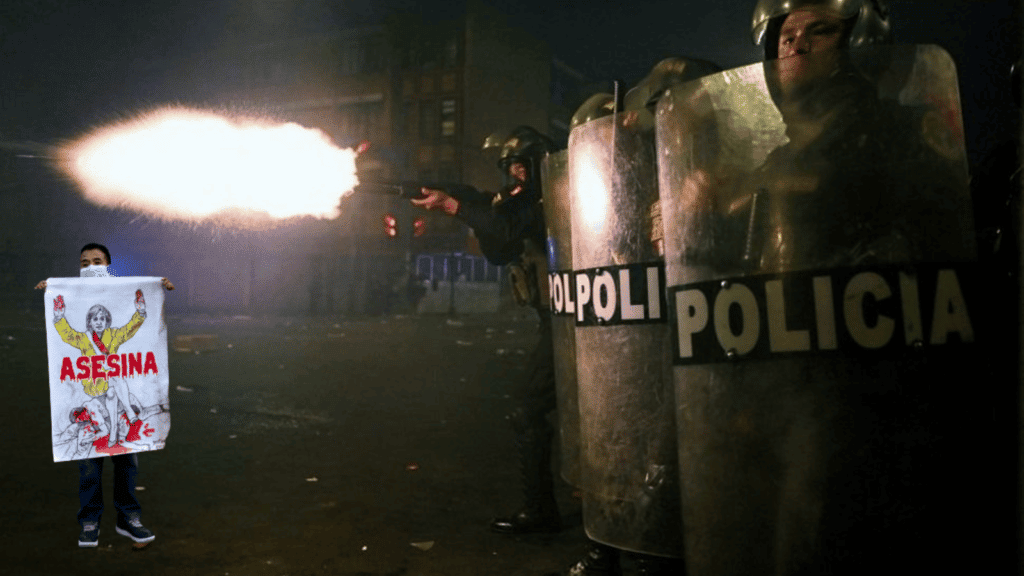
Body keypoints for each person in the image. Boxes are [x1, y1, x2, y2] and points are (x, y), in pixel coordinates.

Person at [411, 126, 563, 535]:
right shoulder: (522, 202)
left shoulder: (556, 196)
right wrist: (462, 201)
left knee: (530, 408)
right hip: (560, 321)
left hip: (573, 323)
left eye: (520, 166)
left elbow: (509, 232)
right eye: (509, 168)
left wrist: (456, 207)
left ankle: (545, 512)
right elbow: (500, 250)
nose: (514, 175)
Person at [35, 242, 174, 548]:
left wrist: (153, 291)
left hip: (116, 394)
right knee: (89, 465)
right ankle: (89, 521)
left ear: (108, 265)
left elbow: (132, 328)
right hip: (92, 400)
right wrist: (54, 299)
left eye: (97, 261)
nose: (90, 266)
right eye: (84, 262)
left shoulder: (113, 332)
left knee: (126, 461)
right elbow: (66, 334)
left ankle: (129, 518)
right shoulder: (84, 340)